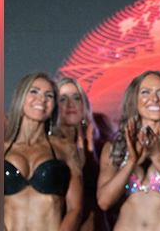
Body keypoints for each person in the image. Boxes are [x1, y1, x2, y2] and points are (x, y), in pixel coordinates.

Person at [96, 70, 160, 231]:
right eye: (146, 92)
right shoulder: (115, 146)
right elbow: (104, 201)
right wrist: (131, 162)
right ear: (134, 99)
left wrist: (157, 156)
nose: (154, 99)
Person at [4, 72, 83, 231]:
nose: (42, 99)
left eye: (49, 95)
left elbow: (75, 209)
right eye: (34, 92)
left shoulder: (66, 149)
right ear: (21, 97)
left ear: (53, 104)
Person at [54, 77, 110, 231]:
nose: (70, 104)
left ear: (84, 104)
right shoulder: (48, 146)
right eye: (63, 99)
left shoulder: (101, 146)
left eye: (76, 98)